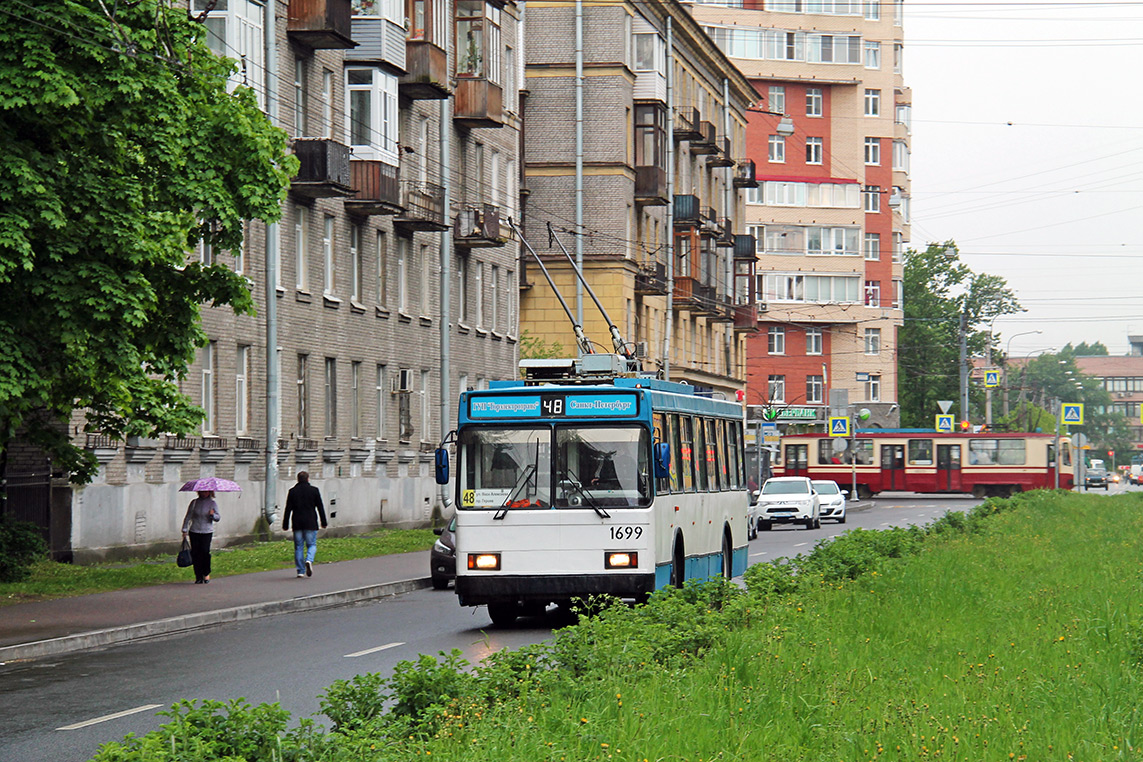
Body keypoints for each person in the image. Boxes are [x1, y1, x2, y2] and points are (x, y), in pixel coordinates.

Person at [282, 471, 328, 578]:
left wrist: (285, 524)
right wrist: (324, 522)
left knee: (298, 547)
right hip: (310, 522)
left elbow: (288, 509)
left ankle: (300, 571)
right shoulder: (314, 491)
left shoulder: (292, 491)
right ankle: (309, 560)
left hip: (297, 523)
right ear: (308, 479)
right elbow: (320, 507)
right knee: (311, 544)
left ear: (298, 479)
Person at [182, 490, 220, 584]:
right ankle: (198, 576)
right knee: (195, 553)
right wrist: (184, 529)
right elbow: (188, 516)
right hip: (194, 531)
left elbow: (218, 518)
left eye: (206, 492)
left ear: (210, 492)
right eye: (202, 492)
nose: (204, 493)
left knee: (205, 552)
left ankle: (206, 573)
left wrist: (212, 515)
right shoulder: (194, 503)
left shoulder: (212, 503)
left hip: (207, 531)